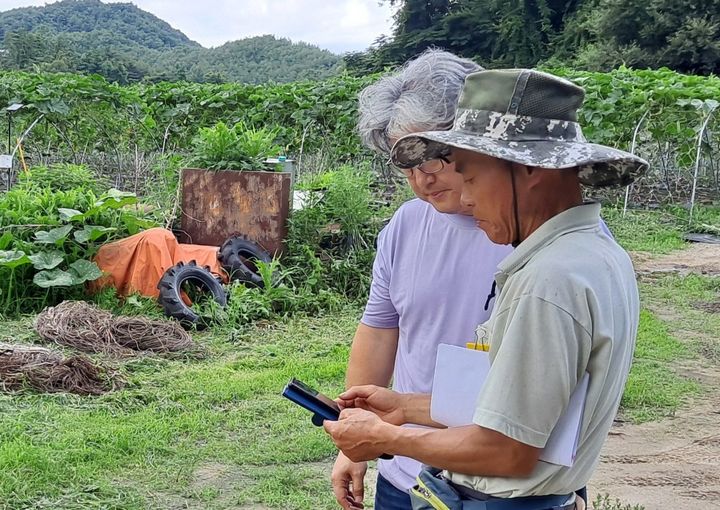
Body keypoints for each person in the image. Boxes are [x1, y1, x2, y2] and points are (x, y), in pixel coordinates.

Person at [325, 68, 646, 509]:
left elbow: (507, 449)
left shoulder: (547, 278)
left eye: (470, 177)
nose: (467, 198)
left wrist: (385, 436)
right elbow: (519, 407)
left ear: (527, 167)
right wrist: (406, 407)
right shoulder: (592, 255)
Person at [331, 50, 513, 510]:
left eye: (433, 154)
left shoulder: (534, 233)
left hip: (501, 484)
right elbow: (379, 330)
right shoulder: (406, 226)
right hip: (406, 473)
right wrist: (352, 444)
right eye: (406, 163)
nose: (422, 176)